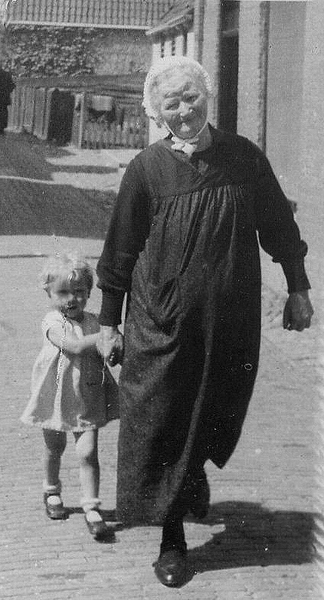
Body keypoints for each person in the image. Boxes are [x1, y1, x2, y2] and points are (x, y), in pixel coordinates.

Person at [96, 56, 314, 588]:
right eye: (172, 102)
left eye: (192, 97)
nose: (184, 109)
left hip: (230, 317)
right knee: (162, 413)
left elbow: (279, 225)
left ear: (206, 98)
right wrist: (108, 321)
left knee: (211, 410)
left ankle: (183, 500)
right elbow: (121, 248)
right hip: (161, 317)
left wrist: (299, 288)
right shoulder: (146, 169)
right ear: (155, 111)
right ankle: (172, 538)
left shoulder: (243, 157)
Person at [20, 254, 119, 541]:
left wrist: (113, 343)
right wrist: (103, 339)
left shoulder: (96, 321)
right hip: (56, 395)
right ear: (49, 293)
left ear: (89, 292)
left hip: (87, 394)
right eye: (62, 292)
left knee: (88, 452)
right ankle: (51, 490)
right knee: (55, 447)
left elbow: (108, 348)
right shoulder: (51, 321)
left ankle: (92, 507)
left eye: (79, 292)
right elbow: (73, 346)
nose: (71, 299)